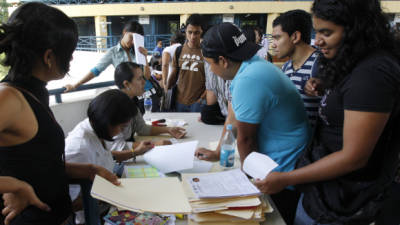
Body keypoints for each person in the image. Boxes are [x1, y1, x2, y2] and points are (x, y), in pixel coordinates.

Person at [254, 0, 400, 224]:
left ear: (355, 29)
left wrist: (286, 178)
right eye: (317, 31)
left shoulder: (373, 74)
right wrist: (324, 86)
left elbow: (353, 157)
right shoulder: (348, 60)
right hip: (322, 195)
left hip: (347, 203)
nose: (317, 40)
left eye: (326, 32)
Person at [0, 3, 119, 225]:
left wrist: (90, 169)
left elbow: (39, 163)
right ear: (49, 57)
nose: (72, 59)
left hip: (58, 214)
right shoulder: (9, 98)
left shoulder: (35, 91)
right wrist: (13, 185)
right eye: (70, 53)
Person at [199, 22, 311, 225]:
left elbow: (246, 140)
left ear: (223, 61)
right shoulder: (249, 67)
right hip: (277, 159)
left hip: (281, 170)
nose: (211, 70)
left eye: (210, 63)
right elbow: (232, 118)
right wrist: (218, 152)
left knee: (272, 218)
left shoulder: (249, 79)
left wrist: (244, 185)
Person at [65, 89, 154, 224]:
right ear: (107, 122)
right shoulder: (79, 149)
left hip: (108, 201)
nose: (121, 132)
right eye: (122, 127)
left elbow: (105, 156)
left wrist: (136, 152)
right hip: (94, 216)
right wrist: (107, 194)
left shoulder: (95, 128)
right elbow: (71, 204)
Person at [111, 62, 186, 151]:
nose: (144, 81)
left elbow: (142, 129)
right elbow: (117, 147)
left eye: (143, 77)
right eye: (139, 79)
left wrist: (168, 130)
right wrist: (154, 144)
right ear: (126, 84)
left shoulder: (132, 101)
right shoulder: (114, 107)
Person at [271, 9, 321, 126]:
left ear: (295, 37)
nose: (273, 44)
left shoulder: (319, 64)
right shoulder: (286, 68)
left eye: (277, 38)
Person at [166, 14, 207, 112]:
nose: (193, 36)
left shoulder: (206, 52)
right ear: (185, 32)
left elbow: (210, 82)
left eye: (196, 33)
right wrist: (166, 88)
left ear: (202, 32)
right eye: (190, 32)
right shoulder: (179, 50)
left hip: (198, 103)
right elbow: (175, 72)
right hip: (179, 101)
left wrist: (201, 99)